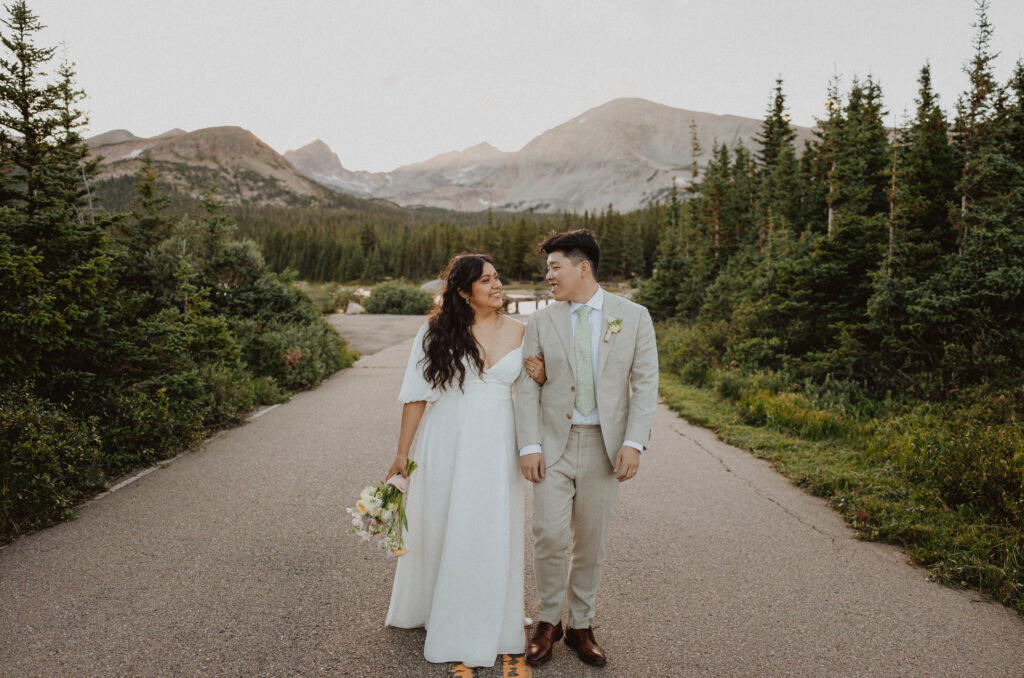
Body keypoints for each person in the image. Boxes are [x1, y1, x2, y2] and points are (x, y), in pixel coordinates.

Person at [384, 253, 545, 668]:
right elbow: (417, 394)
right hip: (447, 436)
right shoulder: (435, 332)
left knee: (489, 523)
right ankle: (441, 607)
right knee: (442, 520)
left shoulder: (526, 332)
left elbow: (536, 394)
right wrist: (402, 454)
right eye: (486, 280)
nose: (497, 285)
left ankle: (491, 609)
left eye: (497, 277)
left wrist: (542, 377)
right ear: (462, 291)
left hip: (497, 439)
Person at [515, 229, 658, 667]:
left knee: (591, 541)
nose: (548, 275)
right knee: (549, 535)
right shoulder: (541, 320)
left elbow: (646, 383)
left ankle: (580, 624)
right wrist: (530, 445)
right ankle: (547, 621)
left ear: (583, 268)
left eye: (554, 266)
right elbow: (527, 385)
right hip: (553, 445)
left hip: (604, 446)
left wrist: (633, 442)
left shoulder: (632, 316)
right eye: (547, 268)